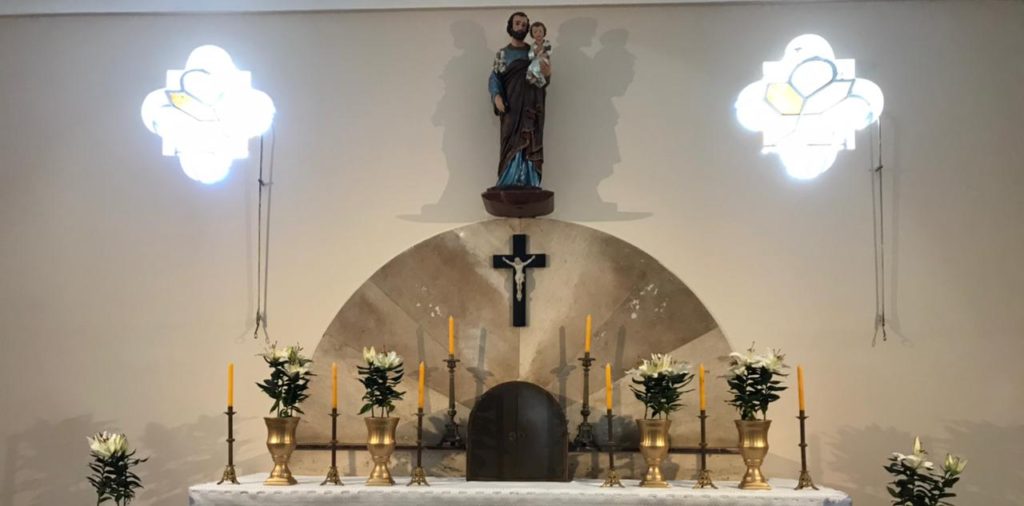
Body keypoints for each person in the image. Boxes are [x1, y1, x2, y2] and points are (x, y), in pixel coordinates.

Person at [488, 11, 551, 189]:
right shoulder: (503, 54)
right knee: (510, 141)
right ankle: (508, 180)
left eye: (524, 25)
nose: (520, 27)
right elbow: (495, 77)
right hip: (511, 107)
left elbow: (543, 79)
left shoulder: (533, 52)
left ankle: (529, 180)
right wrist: (496, 96)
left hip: (531, 105)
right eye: (517, 23)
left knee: (530, 139)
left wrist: (547, 72)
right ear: (510, 26)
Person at [526, 21, 552, 88]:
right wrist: (534, 52)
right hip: (535, 61)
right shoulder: (532, 46)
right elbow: (530, 56)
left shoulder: (546, 43)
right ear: (532, 35)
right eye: (535, 32)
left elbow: (549, 52)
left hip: (543, 60)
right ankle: (532, 80)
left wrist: (544, 54)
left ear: (544, 32)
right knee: (530, 68)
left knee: (540, 70)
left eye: (540, 31)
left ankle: (539, 81)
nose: (538, 33)